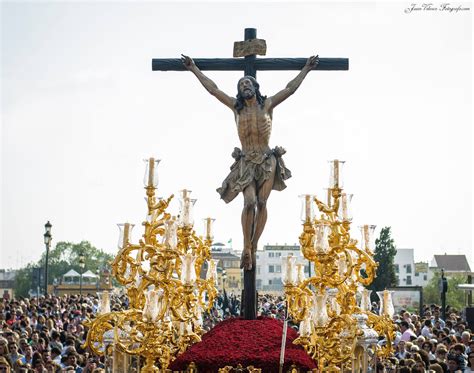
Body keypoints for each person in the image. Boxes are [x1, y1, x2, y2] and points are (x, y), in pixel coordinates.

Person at [181, 54, 319, 270]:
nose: (245, 85)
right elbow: (213, 89)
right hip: (246, 161)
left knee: (262, 203)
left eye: (248, 82)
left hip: (266, 160)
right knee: (249, 202)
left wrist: (306, 69)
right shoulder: (237, 108)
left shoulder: (268, 105)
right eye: (241, 84)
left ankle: (253, 247)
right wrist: (194, 69)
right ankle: (246, 246)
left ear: (255, 86)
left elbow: (290, 89)